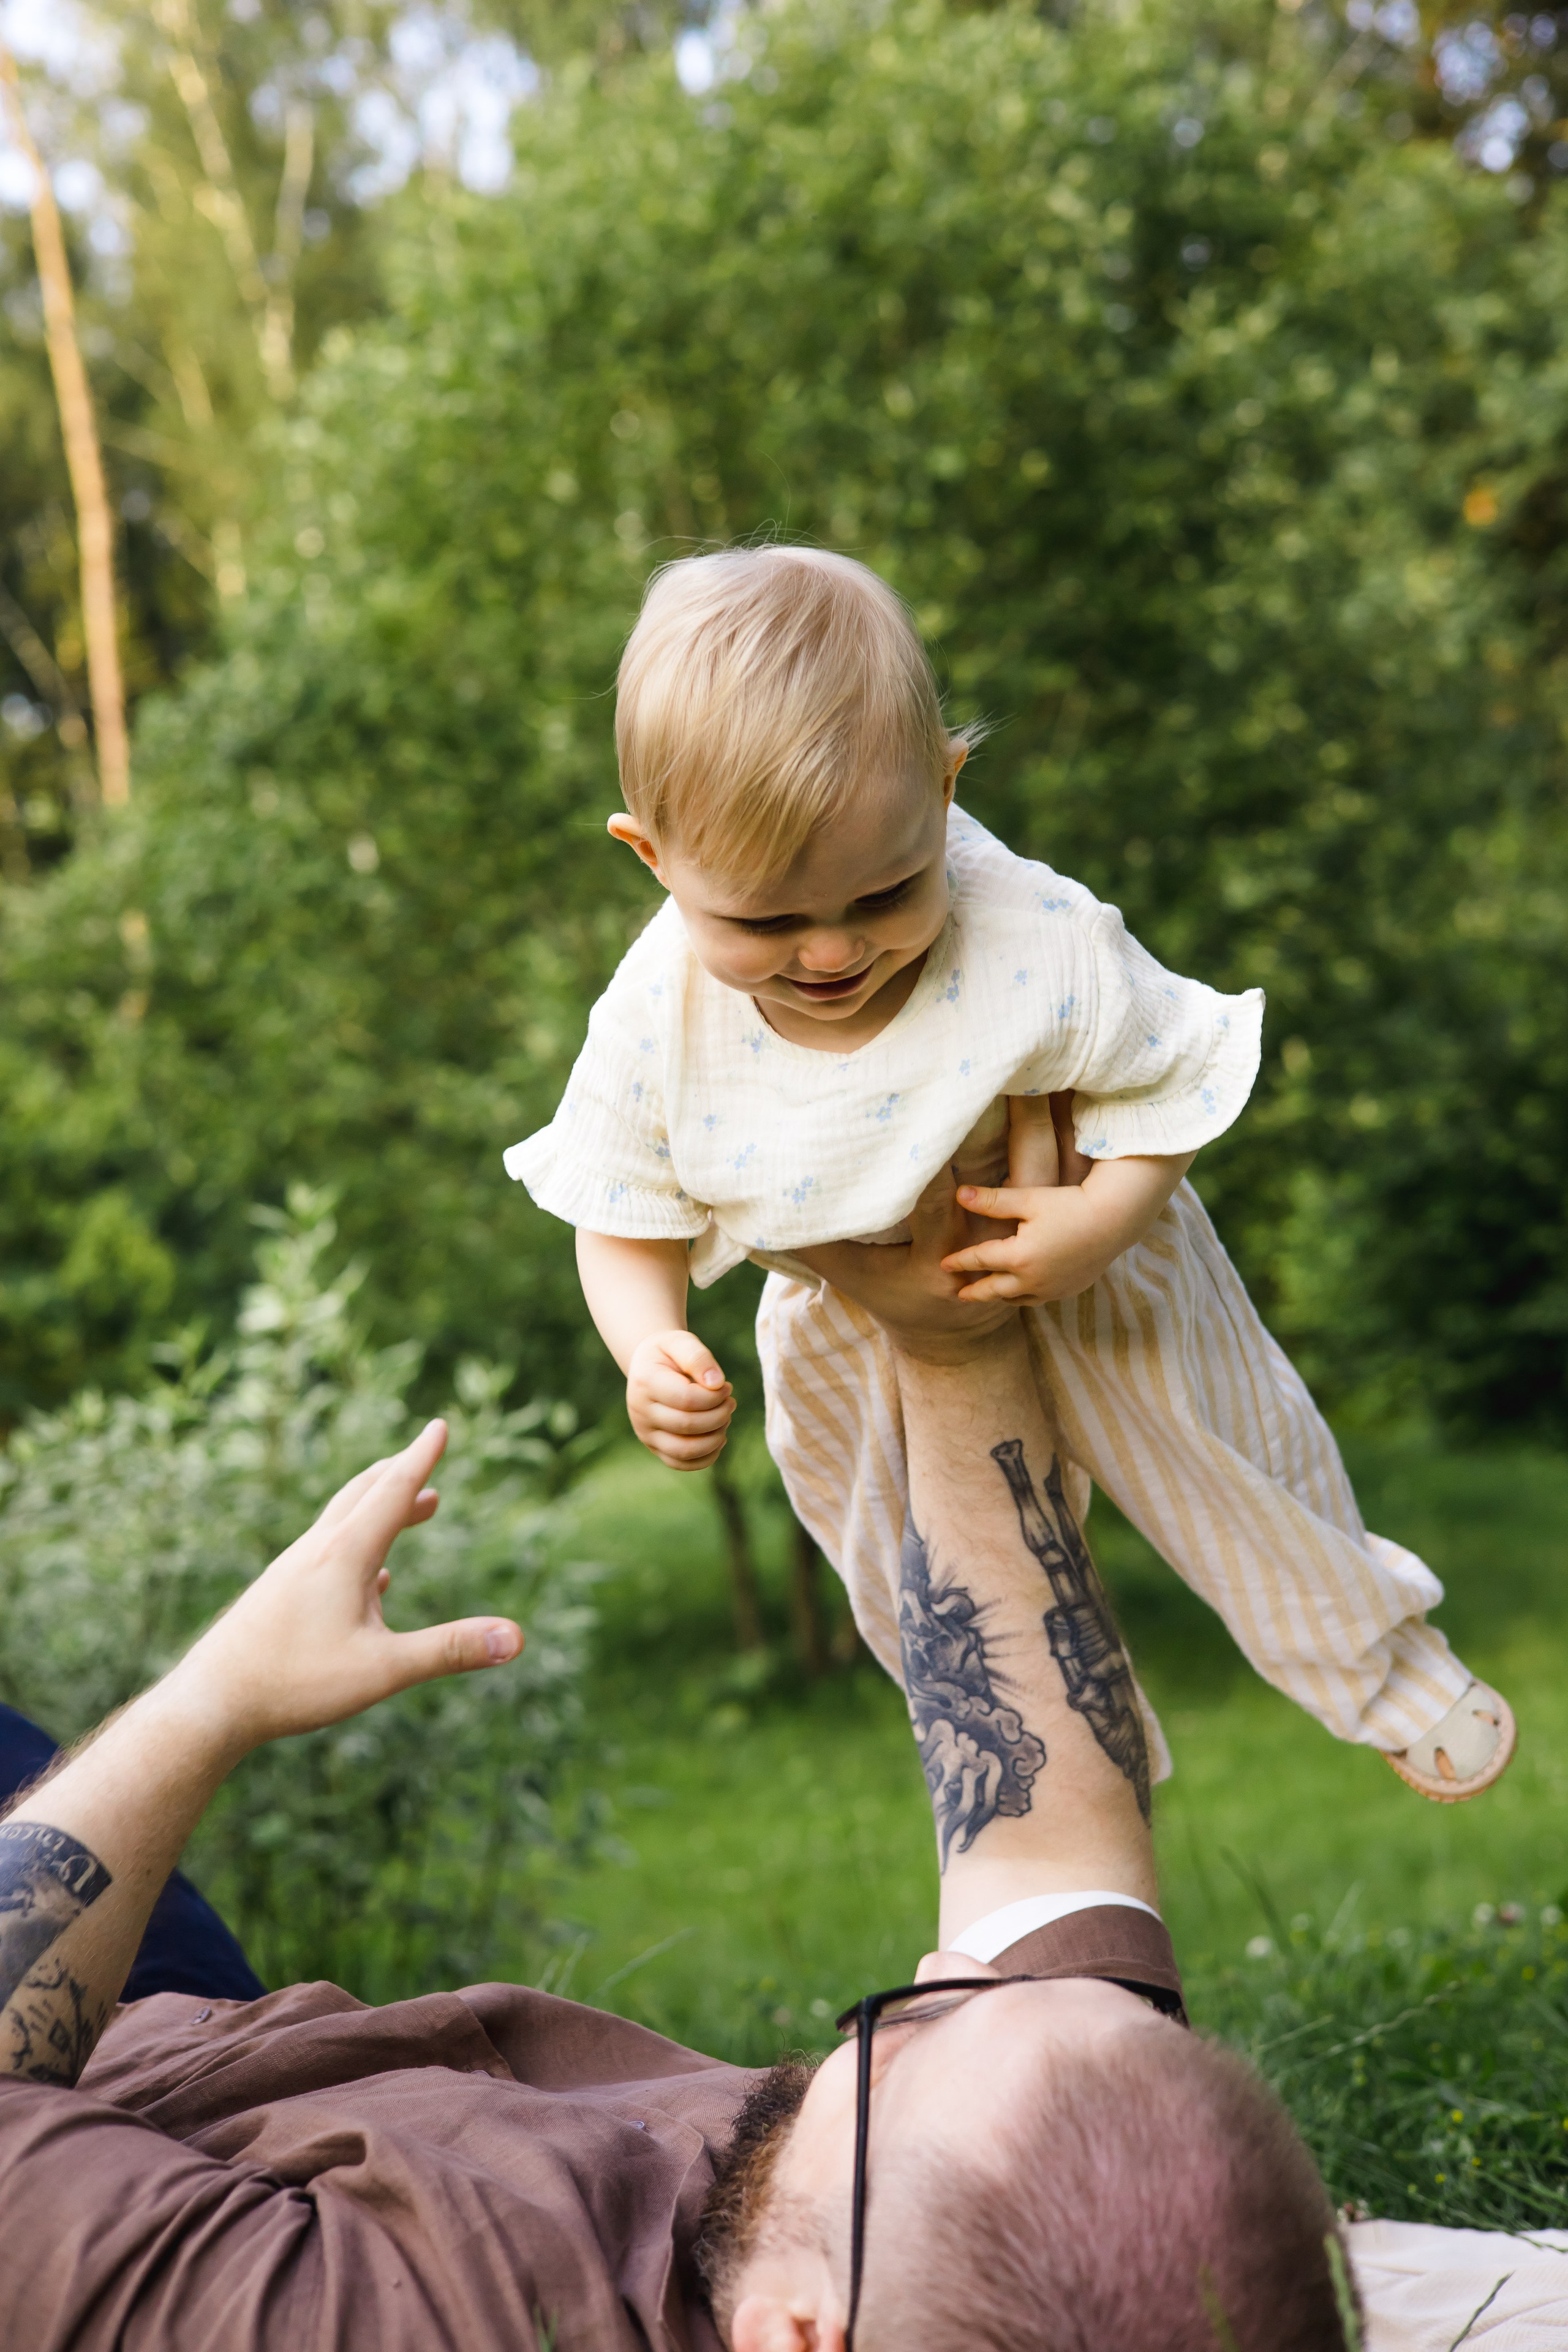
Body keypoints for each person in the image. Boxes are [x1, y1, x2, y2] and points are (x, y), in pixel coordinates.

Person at [0, 1191, 1354, 2352]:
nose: (947, 1977)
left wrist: (216, 1698)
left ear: (797, 2335)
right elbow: (1042, 1841)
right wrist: (950, 1322)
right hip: (260, 2073)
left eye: (908, 2036)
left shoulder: (351, 2318)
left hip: (79, 2073)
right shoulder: (994, 2260)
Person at [505, 543, 1511, 1807]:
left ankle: (1383, 1671)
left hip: (1086, 1241)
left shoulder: (1025, 925)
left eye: (883, 892)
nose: (829, 951)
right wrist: (649, 1347)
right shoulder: (657, 1012)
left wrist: (1100, 1221)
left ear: (944, 787)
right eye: (763, 923)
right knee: (903, 1560)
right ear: (649, 856)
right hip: (840, 1317)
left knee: (1226, 1458)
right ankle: (1062, 1763)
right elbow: (617, 1206)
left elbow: (1169, 1080)